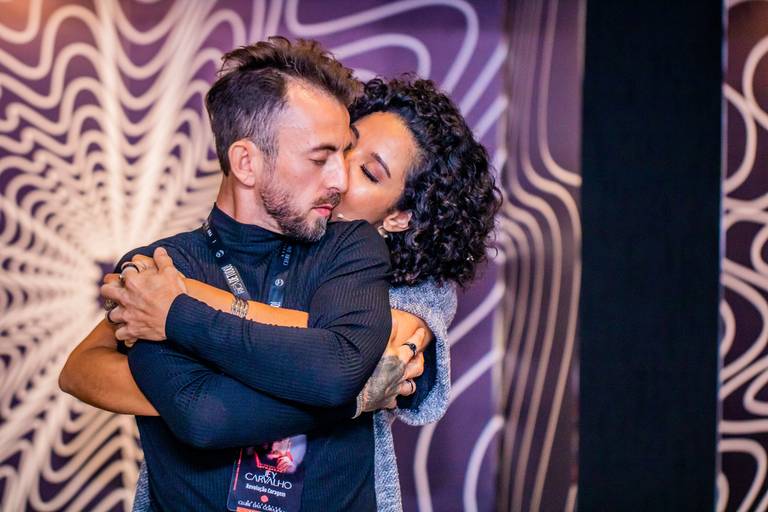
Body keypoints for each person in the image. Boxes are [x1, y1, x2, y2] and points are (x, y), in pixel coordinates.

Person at [61, 47, 501, 512]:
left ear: (398, 217)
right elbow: (195, 411)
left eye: (366, 171)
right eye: (335, 151)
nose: (340, 177)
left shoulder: (391, 278)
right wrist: (349, 394)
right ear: (248, 161)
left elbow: (340, 367)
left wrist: (179, 310)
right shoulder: (163, 270)